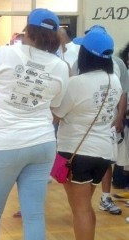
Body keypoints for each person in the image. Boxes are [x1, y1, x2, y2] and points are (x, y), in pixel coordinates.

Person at [0, 9, 69, 240]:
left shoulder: (3, 54)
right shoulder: (60, 66)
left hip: (3, 145)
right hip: (42, 143)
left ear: (28, 29)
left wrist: (5, 100)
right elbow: (55, 105)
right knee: (34, 215)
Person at [52, 29, 122, 240]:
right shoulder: (114, 80)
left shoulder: (77, 83)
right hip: (102, 154)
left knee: (80, 210)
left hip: (76, 152)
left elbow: (56, 114)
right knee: (85, 208)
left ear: (85, 54)